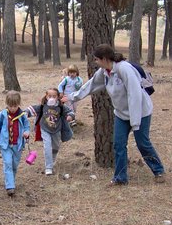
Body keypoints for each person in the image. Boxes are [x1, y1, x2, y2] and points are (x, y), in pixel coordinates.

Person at [67, 43, 165, 185]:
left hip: (140, 112)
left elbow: (135, 94)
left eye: (96, 59)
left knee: (142, 143)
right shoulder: (104, 71)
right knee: (118, 145)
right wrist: (72, 97)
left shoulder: (124, 69)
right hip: (121, 113)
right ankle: (120, 178)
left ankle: (159, 171)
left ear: (105, 58)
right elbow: (91, 85)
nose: (95, 62)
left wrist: (135, 122)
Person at [0, 91, 30, 197]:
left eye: (15, 106)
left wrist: (26, 132)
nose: (13, 108)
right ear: (7, 104)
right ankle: (10, 186)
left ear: (19, 104)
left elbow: (26, 126)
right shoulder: (2, 115)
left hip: (18, 144)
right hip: (5, 145)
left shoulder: (22, 115)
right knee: (8, 163)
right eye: (10, 106)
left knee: (14, 164)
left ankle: (11, 179)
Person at [26, 88, 75, 176]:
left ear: (58, 97)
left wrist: (70, 116)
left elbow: (70, 112)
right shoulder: (42, 106)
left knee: (55, 147)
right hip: (45, 129)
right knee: (47, 146)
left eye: (54, 96)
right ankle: (48, 167)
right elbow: (31, 109)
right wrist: (26, 113)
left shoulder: (61, 107)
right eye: (49, 96)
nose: (52, 98)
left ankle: (52, 160)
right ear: (46, 96)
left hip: (56, 130)